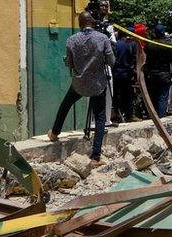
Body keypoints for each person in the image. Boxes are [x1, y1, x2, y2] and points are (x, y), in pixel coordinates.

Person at [48, 11, 114, 163]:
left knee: (65, 104)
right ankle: (96, 155)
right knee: (100, 116)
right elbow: (111, 61)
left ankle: (54, 132)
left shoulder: (71, 40)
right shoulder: (102, 38)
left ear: (80, 23)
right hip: (98, 83)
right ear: (92, 22)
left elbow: (70, 64)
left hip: (79, 83)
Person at [143, 24, 172, 117]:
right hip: (164, 75)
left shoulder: (149, 45)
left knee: (153, 97)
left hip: (151, 75)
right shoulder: (167, 45)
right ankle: (161, 119)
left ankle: (153, 117)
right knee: (162, 98)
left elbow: (145, 59)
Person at [112, 29, 137, 122]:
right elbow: (133, 60)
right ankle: (129, 116)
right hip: (126, 75)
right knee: (127, 96)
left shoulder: (116, 45)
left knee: (116, 96)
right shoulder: (130, 45)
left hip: (116, 74)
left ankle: (117, 115)